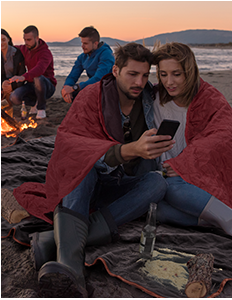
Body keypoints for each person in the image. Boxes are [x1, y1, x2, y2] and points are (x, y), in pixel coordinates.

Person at [29, 43, 172, 297]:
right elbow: (72, 146)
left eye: (145, 75)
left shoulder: (149, 97)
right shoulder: (91, 95)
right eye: (132, 74)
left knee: (157, 183)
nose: (139, 82)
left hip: (122, 182)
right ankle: (70, 267)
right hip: (86, 183)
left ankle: (52, 239)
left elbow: (184, 85)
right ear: (115, 70)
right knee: (81, 165)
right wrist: (131, 150)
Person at [148, 42, 232, 276]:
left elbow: (223, 136)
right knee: (154, 210)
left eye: (176, 74)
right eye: (163, 74)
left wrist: (183, 165)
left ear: (189, 71)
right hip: (165, 175)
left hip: (200, 177)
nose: (169, 82)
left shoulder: (208, 98)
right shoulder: (152, 98)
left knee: (170, 189)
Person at [9, 25, 55, 119]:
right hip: (32, 85)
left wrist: (23, 77)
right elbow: (10, 48)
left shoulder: (45, 53)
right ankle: (34, 103)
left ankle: (41, 108)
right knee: (14, 97)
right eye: (25, 39)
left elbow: (40, 69)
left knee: (38, 77)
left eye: (29, 40)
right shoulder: (24, 49)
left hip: (47, 86)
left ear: (37, 38)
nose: (26, 42)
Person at [61, 26, 114, 104]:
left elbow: (99, 78)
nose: (82, 46)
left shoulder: (106, 54)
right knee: (70, 94)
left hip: (108, 89)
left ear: (95, 44)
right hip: (93, 87)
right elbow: (72, 75)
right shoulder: (83, 57)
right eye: (82, 43)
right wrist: (66, 88)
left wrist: (76, 87)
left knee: (78, 92)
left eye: (85, 43)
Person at [2, 29, 27, 101]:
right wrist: (2, 86)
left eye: (3, 40)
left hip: (15, 84)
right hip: (2, 85)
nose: (1, 43)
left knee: (15, 97)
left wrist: (12, 86)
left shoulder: (17, 54)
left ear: (8, 39)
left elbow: (22, 74)